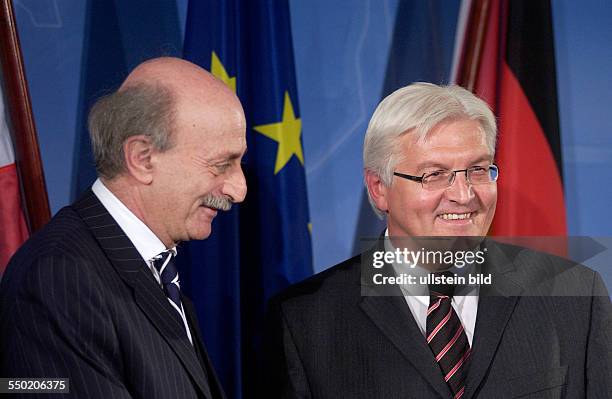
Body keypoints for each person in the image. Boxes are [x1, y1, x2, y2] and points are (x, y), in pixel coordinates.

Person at [265, 83, 611, 398]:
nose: (463, 194)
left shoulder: (574, 295)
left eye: (478, 170)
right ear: (379, 188)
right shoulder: (305, 320)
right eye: (434, 175)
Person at [0, 57, 247, 398]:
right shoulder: (59, 278)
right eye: (221, 165)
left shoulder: (155, 268)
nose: (239, 189)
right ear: (142, 158)